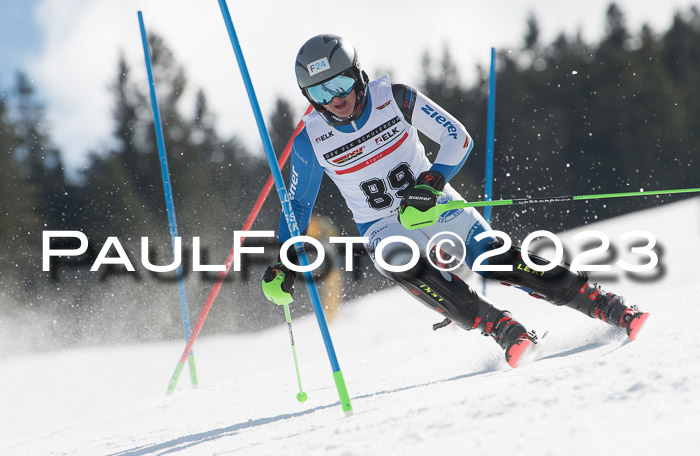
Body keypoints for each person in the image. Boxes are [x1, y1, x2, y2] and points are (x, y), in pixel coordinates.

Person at [261, 34, 650, 368]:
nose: (334, 99)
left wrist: (429, 184)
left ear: (358, 74)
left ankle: (602, 302)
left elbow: (458, 138)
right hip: (383, 224)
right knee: (398, 260)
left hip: (433, 203)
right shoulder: (310, 141)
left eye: (340, 84)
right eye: (320, 92)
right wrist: (286, 259)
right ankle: (501, 327)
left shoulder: (394, 98)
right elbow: (296, 206)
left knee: (493, 258)